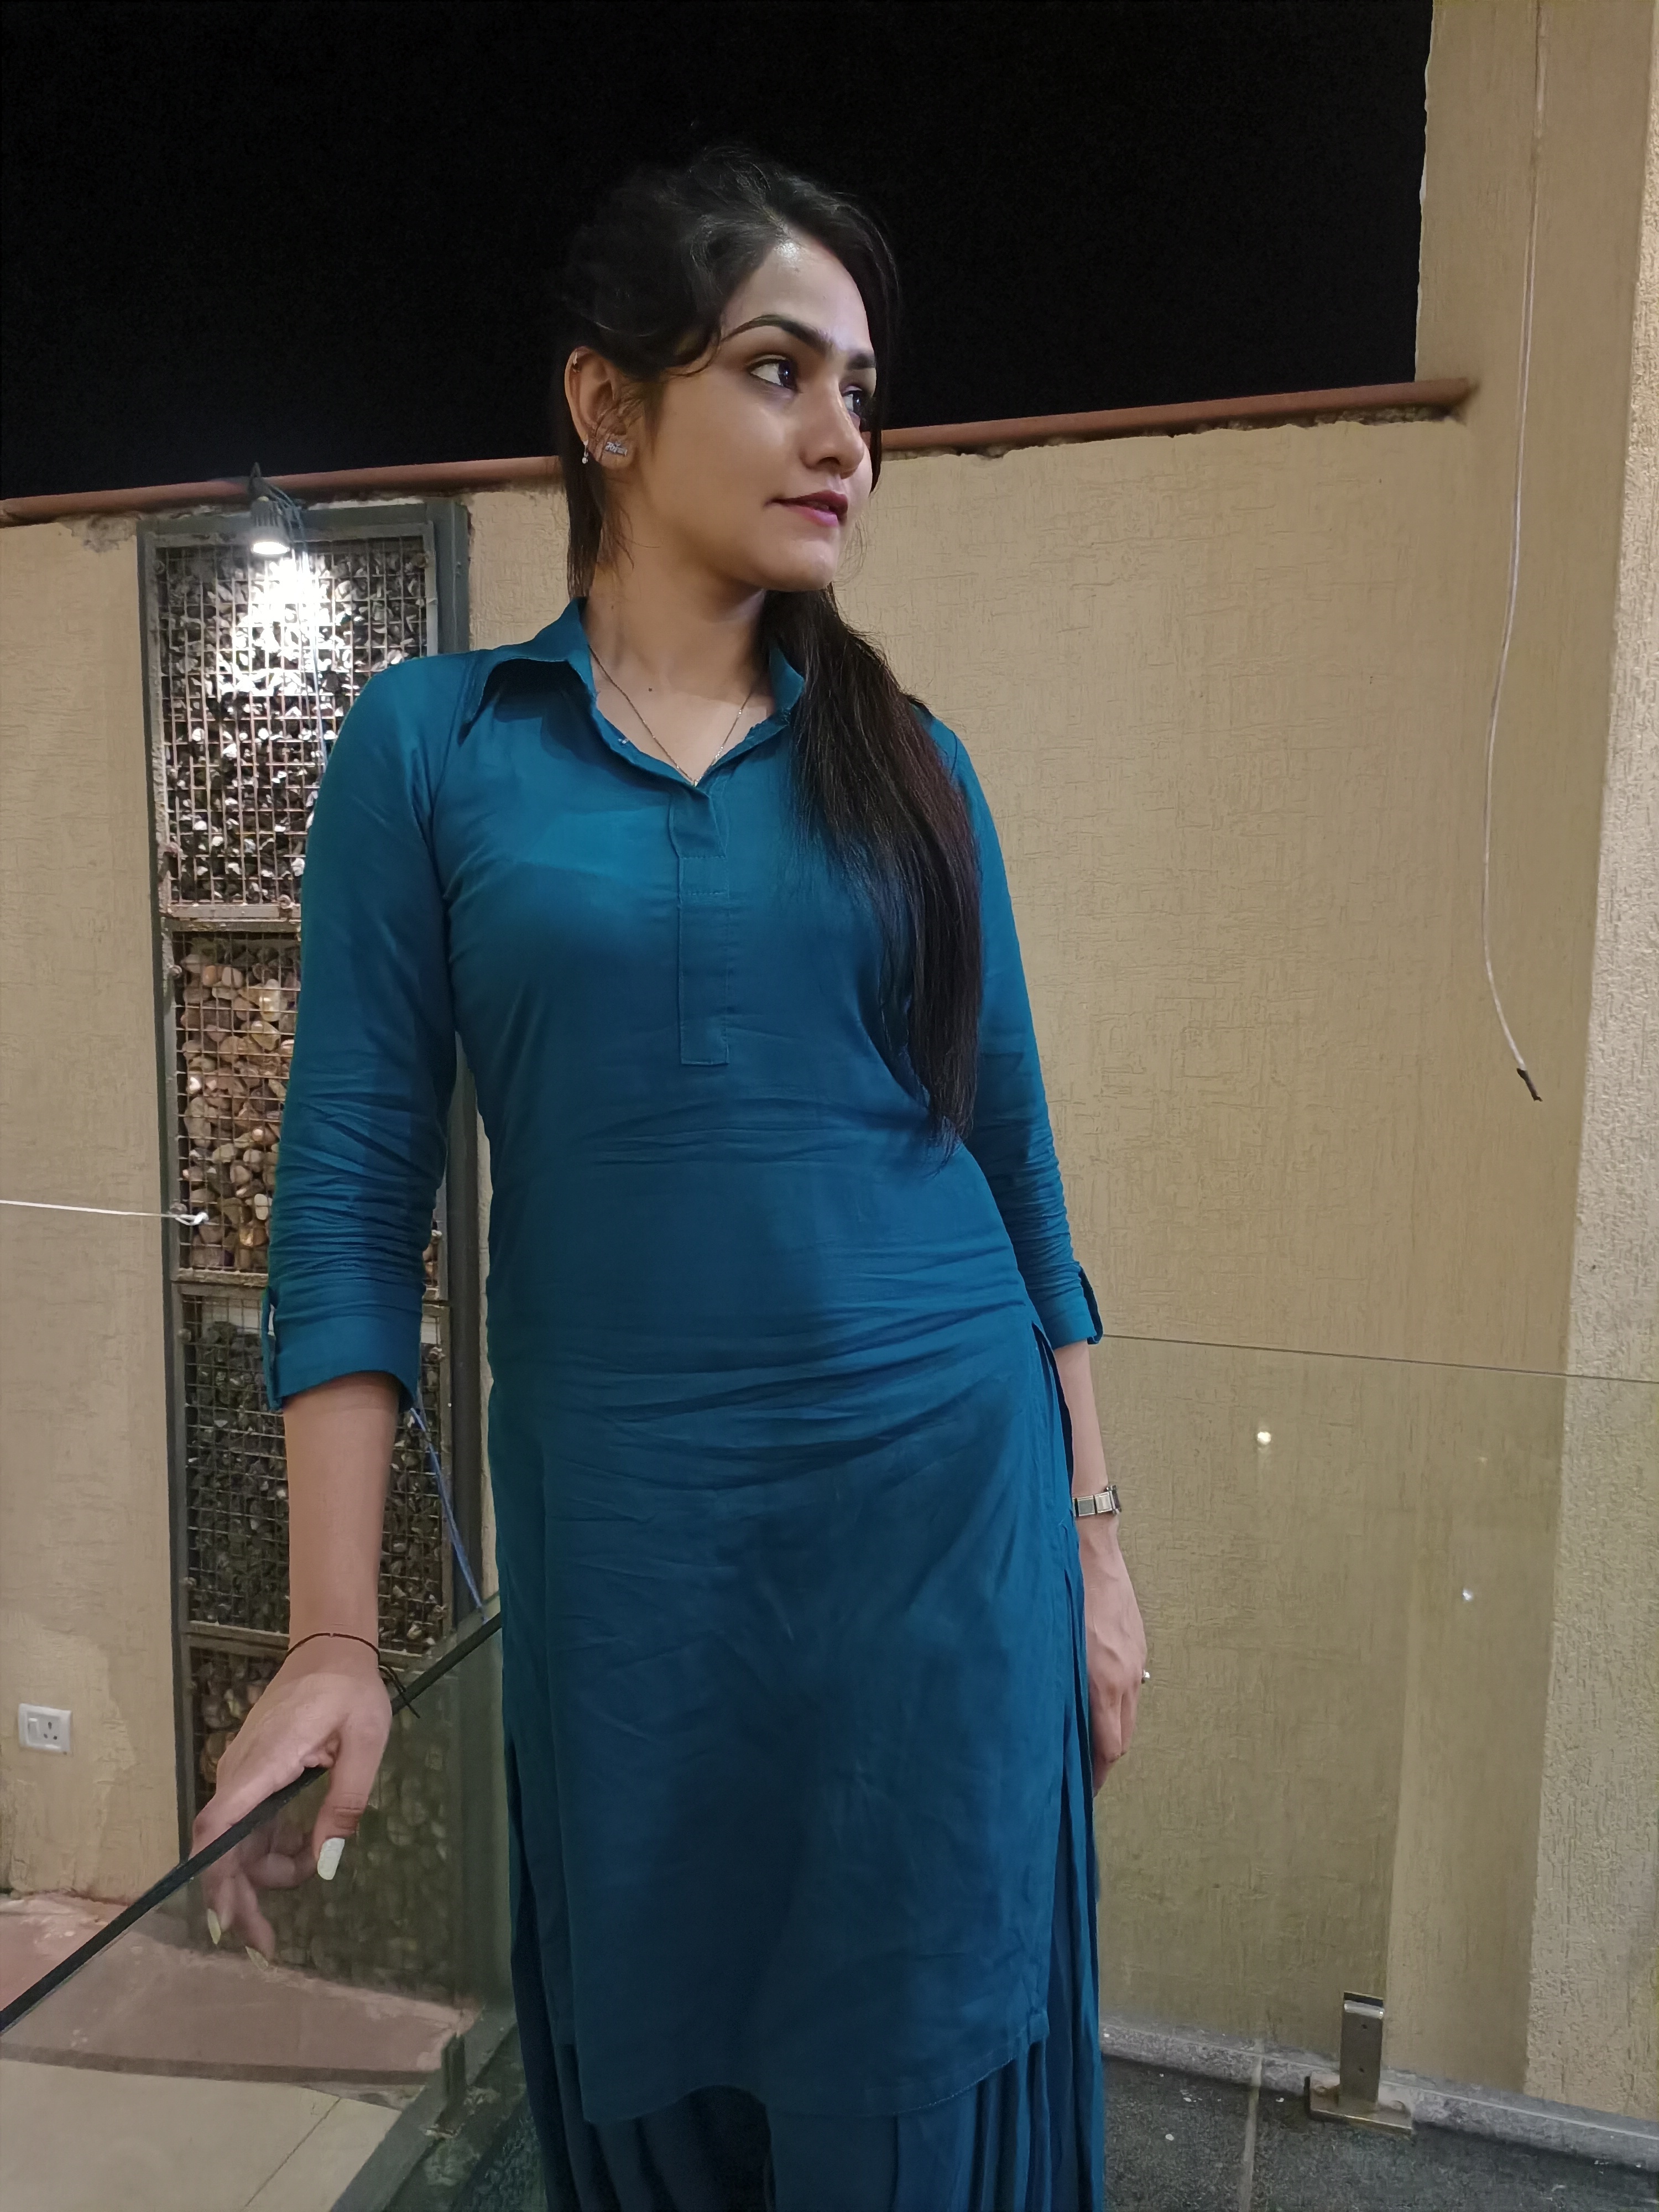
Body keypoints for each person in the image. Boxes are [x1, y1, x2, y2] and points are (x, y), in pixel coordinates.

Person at [194, 147, 1147, 2212]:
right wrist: (332, 1634)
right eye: (779, 370)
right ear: (607, 406)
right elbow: (350, 1203)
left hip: (942, 1549)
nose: (843, 437)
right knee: (660, 2075)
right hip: (634, 1580)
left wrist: (1095, 1542)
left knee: (913, 2085)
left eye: (862, 392)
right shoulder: (437, 749)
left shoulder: (915, 768)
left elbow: (1017, 1175)